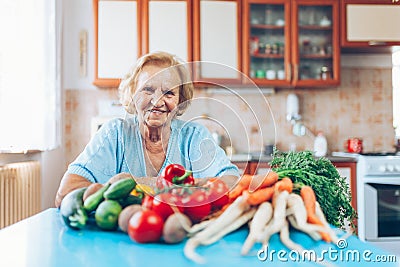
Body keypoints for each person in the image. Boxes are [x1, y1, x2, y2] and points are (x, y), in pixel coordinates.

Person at [55, 51, 240, 208]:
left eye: (169, 93)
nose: (157, 101)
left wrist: (137, 185)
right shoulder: (115, 134)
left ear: (180, 100)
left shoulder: (193, 137)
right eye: (148, 89)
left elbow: (232, 184)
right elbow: (66, 193)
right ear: (132, 94)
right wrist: (185, 190)